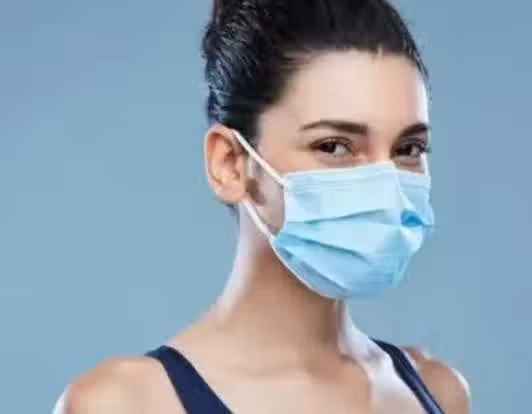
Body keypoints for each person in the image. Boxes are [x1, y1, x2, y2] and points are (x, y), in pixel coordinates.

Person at [55, 0, 471, 412]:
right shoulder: (127, 403)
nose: (385, 184)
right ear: (230, 164)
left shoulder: (438, 391)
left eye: (408, 148)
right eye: (334, 146)